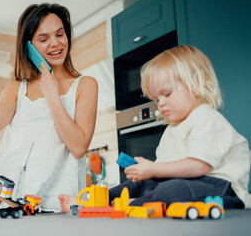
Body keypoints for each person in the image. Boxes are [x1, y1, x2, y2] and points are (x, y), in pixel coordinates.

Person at [59, 45, 251, 212]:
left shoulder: (205, 117)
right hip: (182, 184)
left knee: (171, 191)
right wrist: (147, 172)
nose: (161, 104)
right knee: (138, 184)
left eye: (166, 94)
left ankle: (131, 204)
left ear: (196, 85)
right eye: (156, 99)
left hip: (222, 189)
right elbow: (163, 173)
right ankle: (96, 202)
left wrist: (153, 169)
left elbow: (199, 166)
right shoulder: (173, 129)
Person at [0, 3, 98, 212]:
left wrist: (52, 96)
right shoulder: (17, 88)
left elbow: (78, 147)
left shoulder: (85, 85)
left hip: (56, 204)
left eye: (60, 34)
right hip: (7, 201)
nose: (55, 44)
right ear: (29, 47)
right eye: (44, 39)